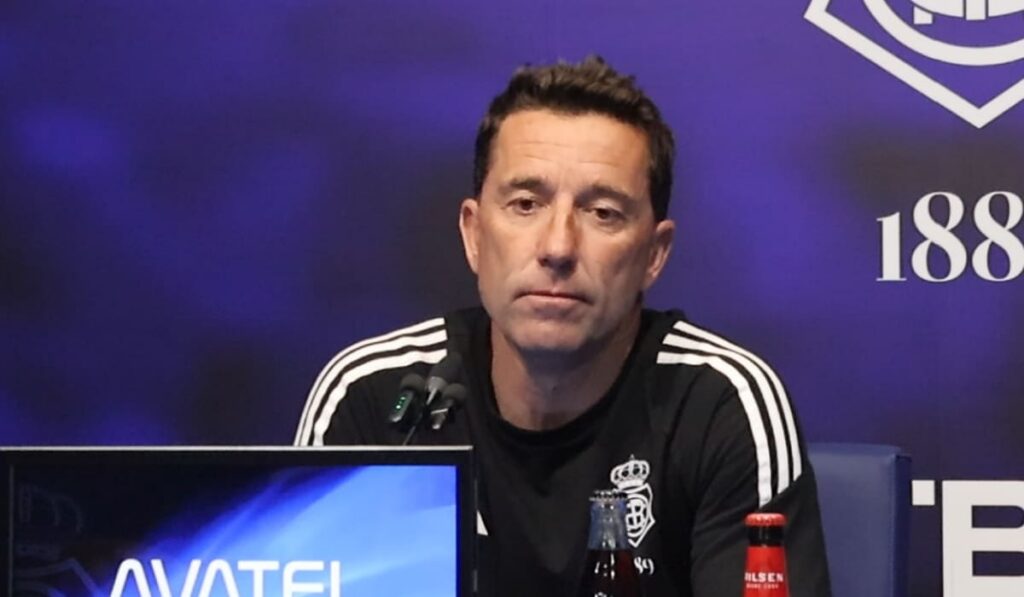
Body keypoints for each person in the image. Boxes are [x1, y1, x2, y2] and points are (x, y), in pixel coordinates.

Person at [294, 56, 832, 597]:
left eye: (603, 213)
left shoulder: (720, 403)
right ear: (474, 235)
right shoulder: (374, 398)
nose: (557, 247)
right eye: (526, 204)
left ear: (654, 254)